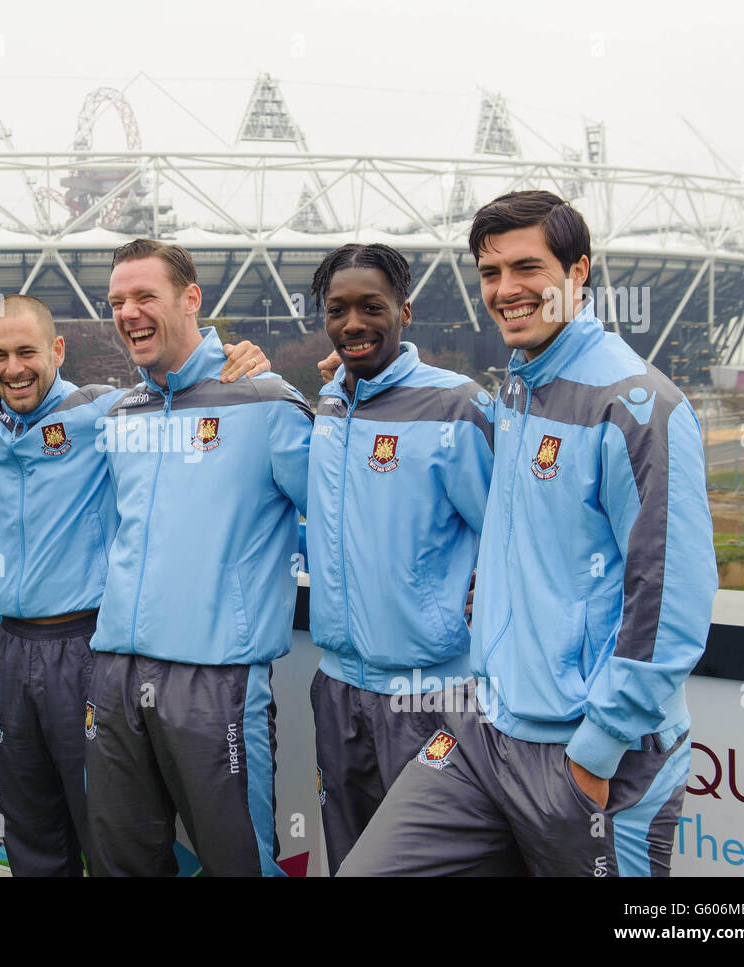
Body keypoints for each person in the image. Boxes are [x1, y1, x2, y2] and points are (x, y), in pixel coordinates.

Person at [339, 190, 717, 877]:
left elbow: (671, 597)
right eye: (490, 273)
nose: (506, 290)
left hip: (591, 753)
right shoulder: (519, 387)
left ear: (578, 273)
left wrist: (597, 747)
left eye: (526, 268)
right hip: (486, 731)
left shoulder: (638, 406)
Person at [0, 295, 270, 876]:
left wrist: (232, 363)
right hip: (9, 653)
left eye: (27, 352)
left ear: (57, 350)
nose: (14, 368)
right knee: (29, 830)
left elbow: (179, 395)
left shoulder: (106, 410)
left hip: (87, 647)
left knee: (110, 827)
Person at [84, 239, 312, 877]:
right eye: (117, 301)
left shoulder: (264, 399)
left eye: (144, 296)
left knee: (237, 863)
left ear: (191, 299)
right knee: (120, 862)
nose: (128, 312)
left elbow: (337, 517)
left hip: (217, 680)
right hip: (116, 675)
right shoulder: (121, 410)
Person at [304, 243, 493, 875]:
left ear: (404, 312)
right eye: (338, 309)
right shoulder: (329, 403)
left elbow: (509, 533)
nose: (353, 323)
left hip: (430, 690)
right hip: (338, 687)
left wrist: (477, 599)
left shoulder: (456, 406)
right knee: (351, 859)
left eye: (371, 307)